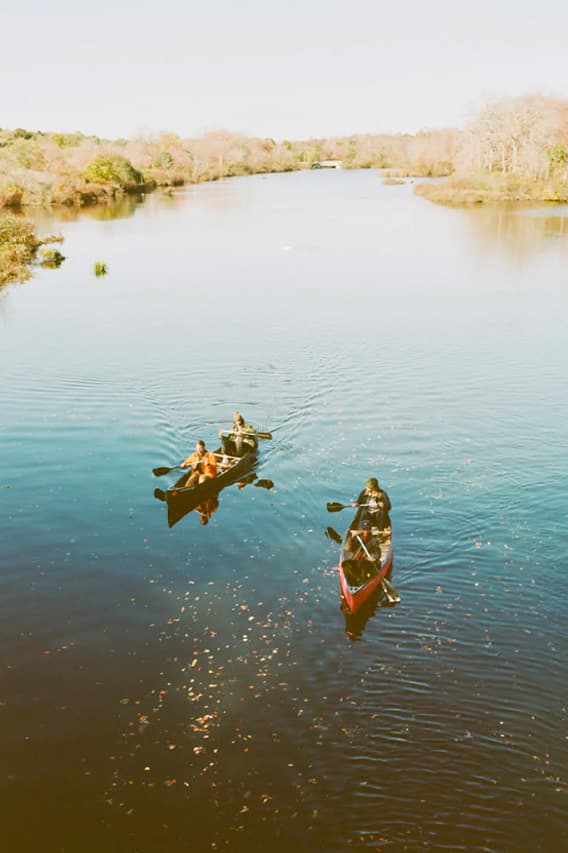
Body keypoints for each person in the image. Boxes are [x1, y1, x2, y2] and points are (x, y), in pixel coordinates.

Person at [345, 477, 392, 556]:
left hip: (377, 514)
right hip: (368, 513)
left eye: (368, 488)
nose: (366, 489)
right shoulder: (364, 492)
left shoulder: (383, 494)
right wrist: (355, 503)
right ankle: (361, 530)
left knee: (380, 513)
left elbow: (388, 506)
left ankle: (380, 532)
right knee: (363, 513)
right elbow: (359, 501)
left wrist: (383, 505)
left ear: (374, 487)